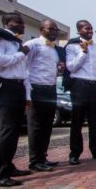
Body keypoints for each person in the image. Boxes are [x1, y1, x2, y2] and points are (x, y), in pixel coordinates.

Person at [0, 13, 32, 186]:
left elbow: (23, 70)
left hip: (17, 87)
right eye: (18, 22)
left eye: (23, 22)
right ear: (7, 23)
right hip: (5, 87)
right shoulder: (1, 39)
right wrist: (21, 54)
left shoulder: (16, 42)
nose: (22, 25)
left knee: (14, 130)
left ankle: (8, 166)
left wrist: (27, 94)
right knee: (6, 129)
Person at [24, 19, 64, 172]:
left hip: (50, 88)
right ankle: (34, 161)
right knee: (35, 126)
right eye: (50, 29)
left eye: (55, 29)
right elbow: (24, 66)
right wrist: (27, 92)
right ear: (41, 29)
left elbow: (54, 69)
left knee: (47, 125)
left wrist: (60, 68)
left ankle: (43, 157)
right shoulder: (32, 44)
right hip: (36, 88)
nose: (54, 32)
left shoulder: (54, 49)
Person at [65, 20, 96, 165]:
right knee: (77, 121)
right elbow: (71, 67)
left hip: (95, 85)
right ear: (79, 30)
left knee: (95, 121)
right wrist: (83, 52)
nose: (89, 30)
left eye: (91, 28)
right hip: (79, 84)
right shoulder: (72, 46)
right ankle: (75, 153)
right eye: (86, 28)